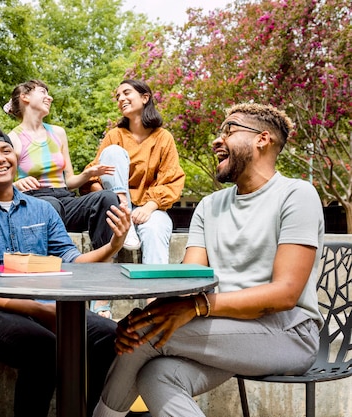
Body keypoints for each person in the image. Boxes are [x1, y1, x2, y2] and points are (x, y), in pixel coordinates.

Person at [92, 103, 324, 417]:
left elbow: (285, 293)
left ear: (263, 139)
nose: (217, 140)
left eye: (229, 130)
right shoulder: (210, 205)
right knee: (157, 374)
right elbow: (190, 281)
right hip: (226, 332)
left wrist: (195, 308)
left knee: (149, 335)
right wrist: (142, 316)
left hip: (289, 335)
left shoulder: (296, 194)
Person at [0, 127, 131, 417]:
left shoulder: (42, 210)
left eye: (6, 151)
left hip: (47, 308)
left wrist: (112, 246)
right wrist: (43, 312)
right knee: (44, 347)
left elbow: (71, 262)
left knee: (108, 334)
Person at [5, 79, 122, 318]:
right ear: (25, 97)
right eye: (43, 92)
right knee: (50, 206)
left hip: (65, 198)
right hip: (37, 201)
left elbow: (69, 181)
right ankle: (56, 293)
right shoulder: (14, 139)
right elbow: (2, 183)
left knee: (106, 198)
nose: (49, 97)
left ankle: (101, 293)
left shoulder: (57, 133)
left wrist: (87, 175)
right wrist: (16, 184)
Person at [85, 79, 185, 262]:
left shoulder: (163, 138)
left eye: (126, 93)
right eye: (118, 96)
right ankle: (125, 216)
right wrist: (110, 203)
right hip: (116, 206)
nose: (120, 98)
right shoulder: (114, 136)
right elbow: (94, 176)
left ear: (145, 97)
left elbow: (172, 180)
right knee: (112, 152)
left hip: (151, 207)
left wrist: (149, 207)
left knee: (155, 228)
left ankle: (156, 290)